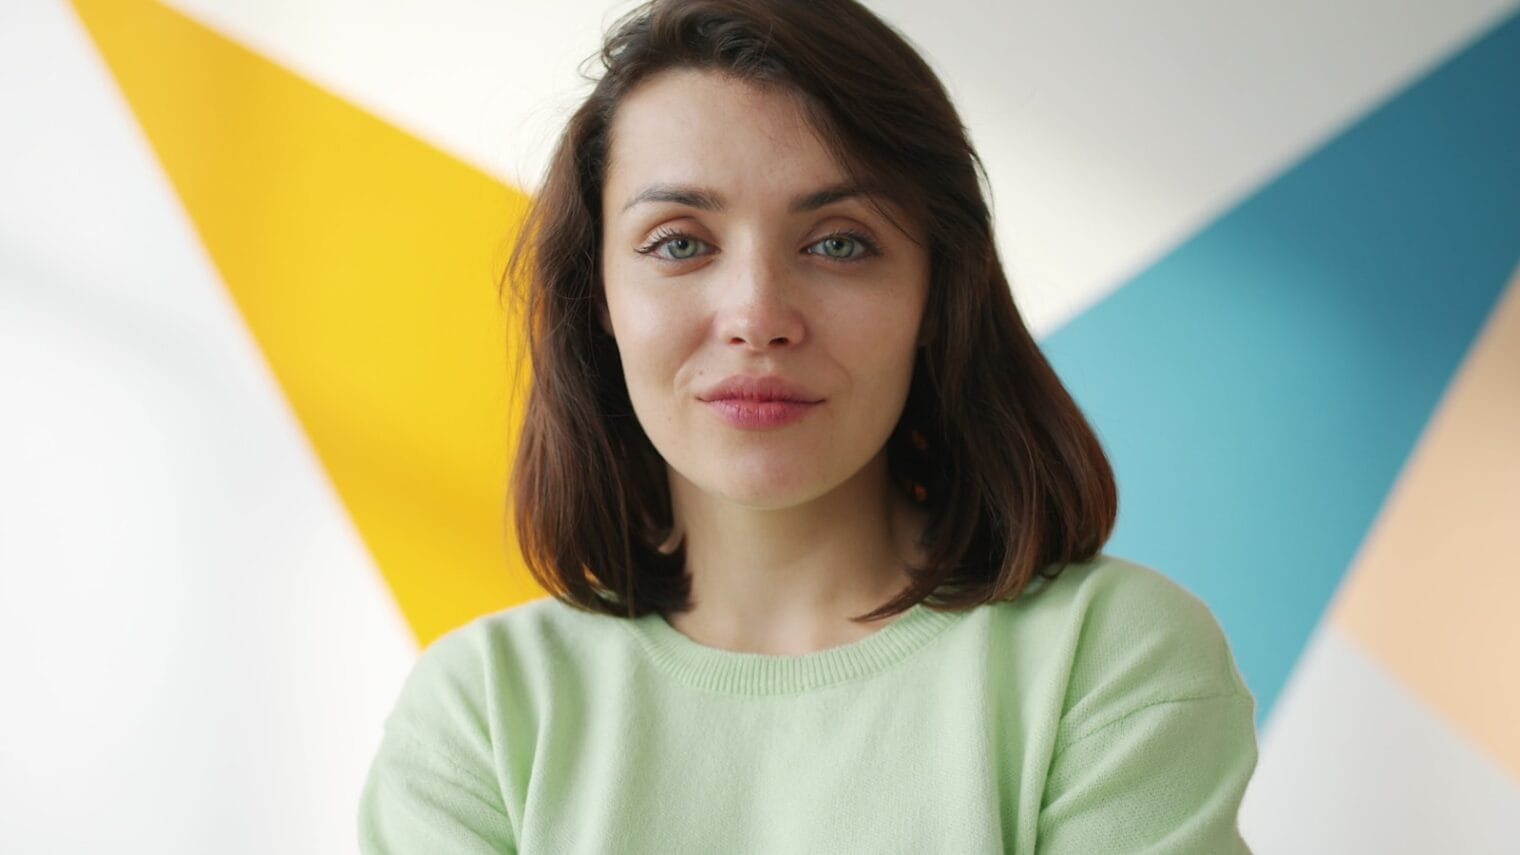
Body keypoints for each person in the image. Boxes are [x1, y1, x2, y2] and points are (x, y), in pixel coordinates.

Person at [358, 0, 1258, 851]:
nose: (758, 314)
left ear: (935, 291)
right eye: (679, 242)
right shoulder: (481, 712)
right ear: (596, 294)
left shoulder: (1106, 662)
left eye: (838, 241)